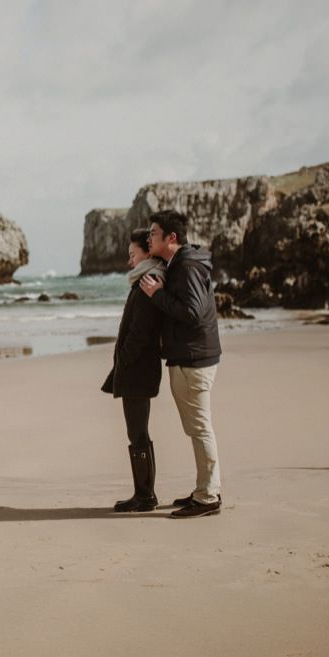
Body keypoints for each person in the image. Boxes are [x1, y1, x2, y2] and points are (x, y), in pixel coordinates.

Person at [138, 209, 223, 519]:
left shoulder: (186, 266)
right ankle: (206, 488)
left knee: (200, 428)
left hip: (193, 359)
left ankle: (208, 497)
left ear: (171, 238)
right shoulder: (182, 263)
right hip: (191, 356)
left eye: (154, 234)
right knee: (197, 428)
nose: (149, 238)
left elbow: (192, 312)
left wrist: (158, 295)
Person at [101, 228, 166, 512]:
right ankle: (144, 493)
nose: (130, 261)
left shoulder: (147, 282)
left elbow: (140, 332)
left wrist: (124, 360)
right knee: (138, 432)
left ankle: (145, 496)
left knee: (137, 433)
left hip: (138, 370)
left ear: (147, 252)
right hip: (138, 368)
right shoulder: (144, 281)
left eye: (132, 254)